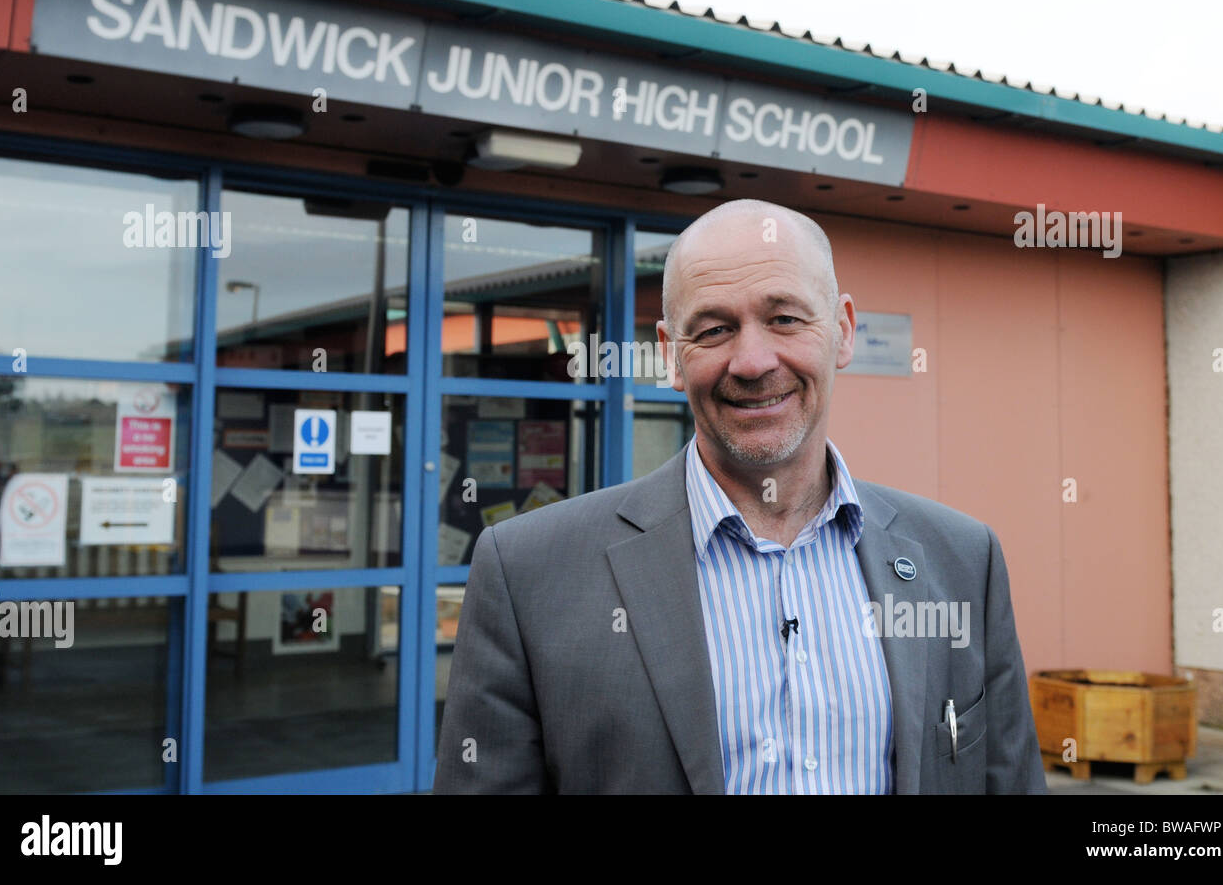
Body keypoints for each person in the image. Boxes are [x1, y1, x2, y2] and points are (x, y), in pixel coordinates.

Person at [434, 198, 1045, 794]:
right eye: (715, 329)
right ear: (673, 355)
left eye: (785, 318)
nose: (752, 362)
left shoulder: (964, 561)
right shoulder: (528, 573)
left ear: (842, 331)